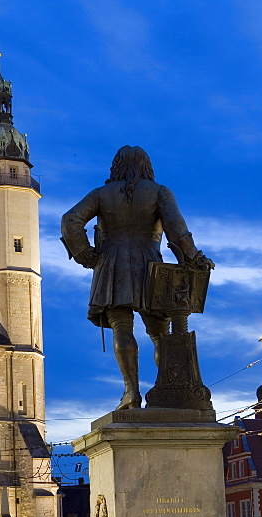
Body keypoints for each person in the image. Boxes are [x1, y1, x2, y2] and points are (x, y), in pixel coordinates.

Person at [61, 145, 211, 410]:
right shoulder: (160, 192)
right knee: (160, 335)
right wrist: (195, 258)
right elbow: (177, 228)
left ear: (116, 166)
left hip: (111, 265)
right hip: (151, 266)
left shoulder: (101, 194)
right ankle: (168, 388)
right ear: (146, 166)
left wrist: (87, 255)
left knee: (122, 327)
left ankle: (131, 392)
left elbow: (70, 220)